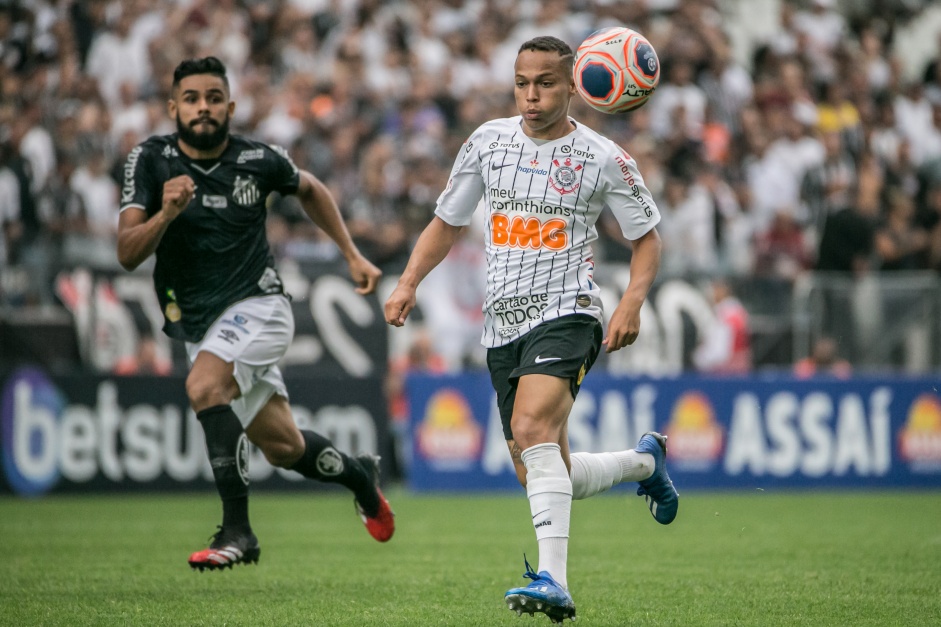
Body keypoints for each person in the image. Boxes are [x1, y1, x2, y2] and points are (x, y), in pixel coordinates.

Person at [384, 37, 677, 623]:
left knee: (531, 424)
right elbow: (447, 221)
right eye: (521, 82)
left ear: (574, 86)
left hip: (569, 311)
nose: (531, 95)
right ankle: (646, 465)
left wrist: (631, 304)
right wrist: (409, 280)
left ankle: (554, 581)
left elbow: (646, 239)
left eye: (544, 82)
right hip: (502, 326)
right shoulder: (487, 143)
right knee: (542, 469)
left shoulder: (604, 158)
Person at [116, 57, 395, 572]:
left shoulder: (258, 158)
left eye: (214, 98)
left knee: (204, 387)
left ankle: (237, 532)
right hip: (200, 323)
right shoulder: (150, 160)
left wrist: (352, 254)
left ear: (231, 106)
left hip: (260, 306)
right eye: (193, 98)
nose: (204, 107)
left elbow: (309, 188)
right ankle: (360, 476)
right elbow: (127, 252)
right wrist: (166, 213)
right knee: (284, 447)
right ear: (173, 107)